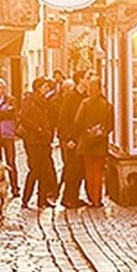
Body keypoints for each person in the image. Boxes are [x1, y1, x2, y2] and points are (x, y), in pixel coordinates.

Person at [18, 77, 59, 210]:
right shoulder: (29, 101)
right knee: (34, 170)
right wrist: (38, 129)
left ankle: (42, 200)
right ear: (38, 87)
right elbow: (24, 118)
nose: (47, 89)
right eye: (45, 87)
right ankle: (25, 199)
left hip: (44, 140)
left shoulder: (45, 101)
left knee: (44, 170)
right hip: (33, 140)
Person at [77, 77, 115, 208]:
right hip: (100, 143)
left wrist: (88, 131)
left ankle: (91, 198)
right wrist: (100, 132)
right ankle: (97, 199)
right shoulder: (106, 105)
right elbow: (110, 126)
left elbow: (78, 121)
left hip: (87, 142)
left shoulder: (84, 103)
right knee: (98, 172)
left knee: (89, 171)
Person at [55, 71, 87, 207]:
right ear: (80, 80)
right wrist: (68, 138)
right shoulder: (71, 97)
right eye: (87, 78)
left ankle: (74, 196)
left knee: (79, 169)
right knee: (71, 169)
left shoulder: (84, 96)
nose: (88, 80)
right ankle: (67, 198)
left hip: (81, 139)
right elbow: (63, 119)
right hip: (71, 140)